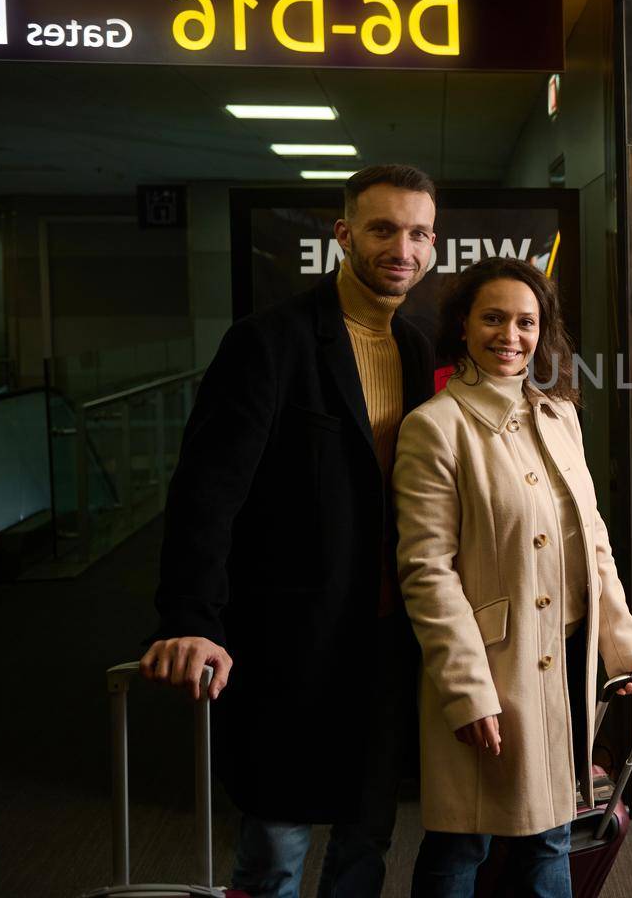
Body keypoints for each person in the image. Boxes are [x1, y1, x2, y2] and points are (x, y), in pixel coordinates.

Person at [139, 165, 440, 898]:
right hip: (289, 643)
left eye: (420, 232)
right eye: (383, 229)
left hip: (386, 641)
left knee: (367, 842)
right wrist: (190, 619)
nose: (403, 247)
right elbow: (206, 496)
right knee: (275, 849)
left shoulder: (418, 350)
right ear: (343, 236)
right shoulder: (267, 343)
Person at [393, 257, 632, 898]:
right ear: (463, 326)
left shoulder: (560, 414)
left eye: (527, 322)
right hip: (493, 661)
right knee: (463, 838)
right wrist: (467, 690)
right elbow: (427, 572)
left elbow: (592, 538)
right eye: (494, 318)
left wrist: (623, 644)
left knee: (552, 832)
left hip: (567, 656)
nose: (511, 335)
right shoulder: (435, 427)